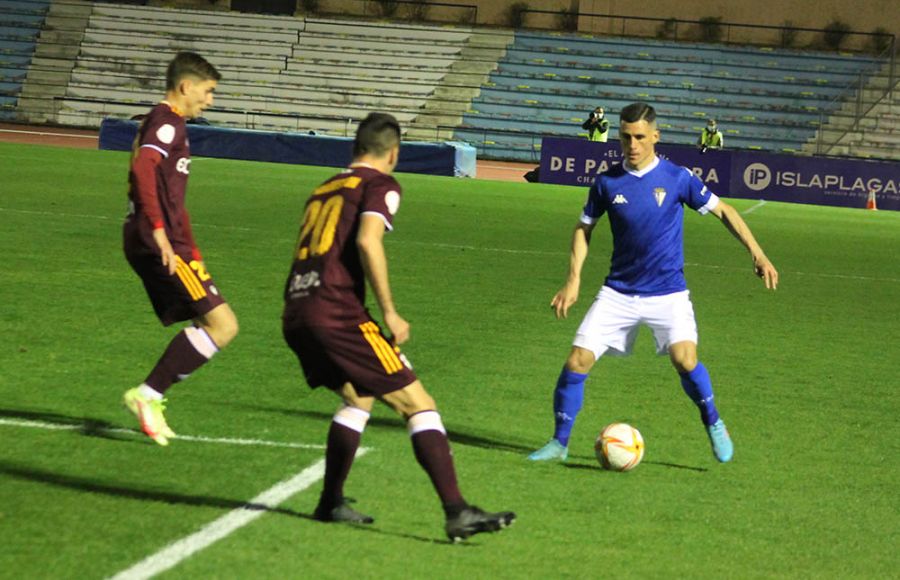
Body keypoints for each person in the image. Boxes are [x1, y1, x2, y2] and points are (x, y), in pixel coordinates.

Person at [282, 112, 515, 542]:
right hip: (337, 313)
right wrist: (389, 310)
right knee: (418, 403)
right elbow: (368, 240)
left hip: (296, 309)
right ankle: (456, 510)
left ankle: (329, 501)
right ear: (394, 153)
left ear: (356, 148)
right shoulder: (380, 184)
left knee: (360, 398)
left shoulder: (325, 187)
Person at [528, 102, 778, 464]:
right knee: (576, 361)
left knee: (685, 358)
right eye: (626, 137)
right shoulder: (607, 182)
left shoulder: (677, 178)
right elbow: (584, 228)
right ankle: (559, 443)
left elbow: (725, 210)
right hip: (618, 292)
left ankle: (714, 422)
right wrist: (573, 280)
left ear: (655, 137)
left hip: (668, 293)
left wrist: (757, 253)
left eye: (640, 137)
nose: (632, 144)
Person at [122, 52, 238, 446]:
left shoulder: (170, 124)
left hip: (168, 240)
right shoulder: (167, 122)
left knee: (215, 325)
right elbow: (144, 170)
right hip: (156, 239)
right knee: (222, 325)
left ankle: (150, 395)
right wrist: (158, 231)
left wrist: (192, 249)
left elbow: (173, 198)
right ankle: (148, 394)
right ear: (186, 86)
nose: (210, 100)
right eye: (208, 91)